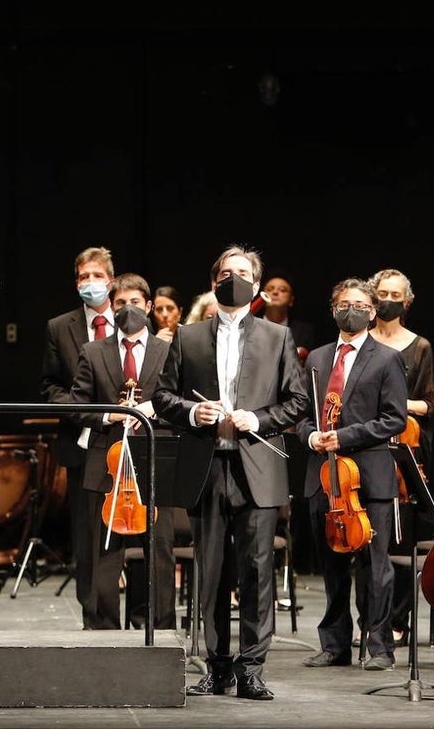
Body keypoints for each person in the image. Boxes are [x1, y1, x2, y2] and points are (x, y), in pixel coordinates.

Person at [152, 245, 307, 701]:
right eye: (225, 272)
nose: (232, 279)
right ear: (214, 280)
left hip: (256, 466)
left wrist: (258, 420)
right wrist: (193, 412)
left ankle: (252, 669)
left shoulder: (277, 337)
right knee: (212, 572)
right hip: (207, 466)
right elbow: (162, 397)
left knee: (257, 573)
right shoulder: (188, 336)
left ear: (256, 286)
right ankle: (217, 668)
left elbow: (297, 401)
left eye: (242, 273)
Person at [297, 277, 409, 672]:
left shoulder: (386, 358)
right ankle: (334, 644)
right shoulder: (316, 358)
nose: (353, 310)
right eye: (345, 303)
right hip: (324, 476)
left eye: (361, 305)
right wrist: (311, 436)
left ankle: (379, 647)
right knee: (331, 566)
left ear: (373, 311)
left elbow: (394, 420)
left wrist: (342, 436)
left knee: (375, 567)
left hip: (369, 476)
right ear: (333, 309)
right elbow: (302, 414)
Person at [69, 273, 176, 630]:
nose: (126, 309)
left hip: (154, 457)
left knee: (158, 548)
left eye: (133, 303)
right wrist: (108, 414)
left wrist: (153, 410)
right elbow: (76, 407)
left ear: (148, 306)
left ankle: (158, 628)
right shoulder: (93, 351)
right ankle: (102, 630)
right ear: (111, 308)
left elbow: (180, 402)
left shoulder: (169, 351)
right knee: (104, 550)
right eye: (119, 304)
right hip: (106, 460)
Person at [41, 246, 117, 630]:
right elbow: (50, 386)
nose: (90, 283)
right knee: (87, 535)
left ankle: (133, 615)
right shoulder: (60, 326)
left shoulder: (128, 320)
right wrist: (79, 408)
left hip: (126, 441)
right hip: (82, 441)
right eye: (83, 277)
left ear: (111, 281)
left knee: (123, 531)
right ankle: (94, 617)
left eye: (97, 276)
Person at [366, 267, 434, 647]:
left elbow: (430, 404)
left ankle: (397, 621)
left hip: (403, 451)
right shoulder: (361, 341)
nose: (388, 300)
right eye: (382, 293)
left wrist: (392, 404)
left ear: (407, 301)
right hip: (365, 448)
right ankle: (369, 620)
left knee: (399, 542)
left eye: (396, 294)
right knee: (367, 542)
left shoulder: (419, 346)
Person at [260, 271, 316, 362]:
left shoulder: (304, 332)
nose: (275, 292)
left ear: (291, 300)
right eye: (270, 289)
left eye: (282, 290)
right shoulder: (248, 326)